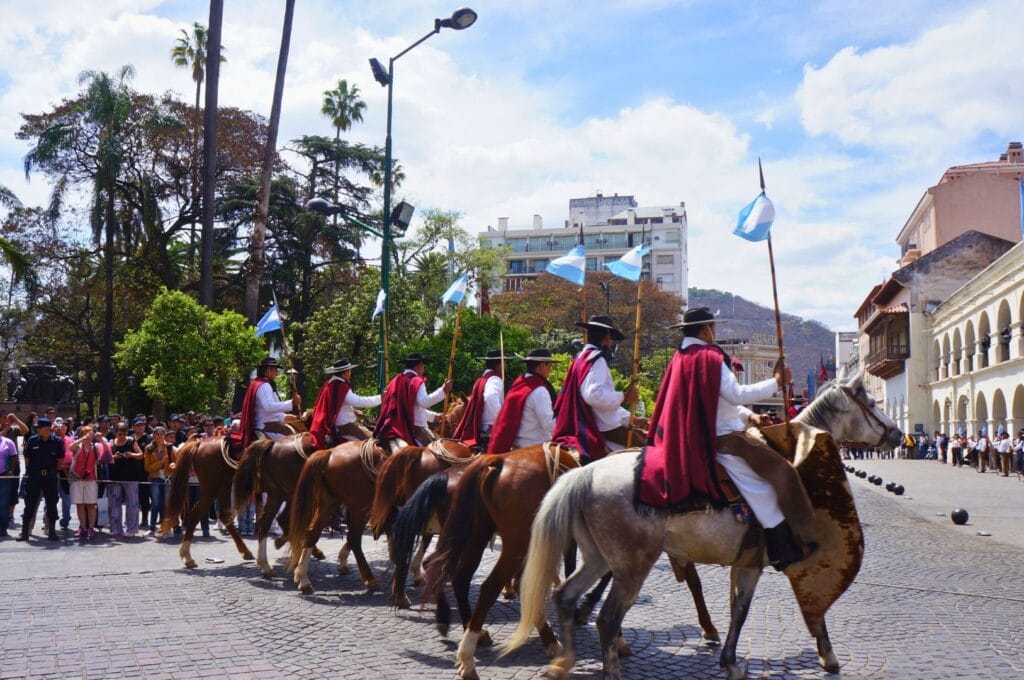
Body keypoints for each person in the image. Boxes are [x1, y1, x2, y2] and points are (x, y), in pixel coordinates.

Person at [636, 306, 816, 572]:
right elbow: (736, 394)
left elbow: (716, 401)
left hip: (702, 433)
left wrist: (748, 417)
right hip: (724, 439)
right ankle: (781, 549)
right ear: (707, 329)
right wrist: (776, 382)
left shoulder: (680, 357)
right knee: (775, 476)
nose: (715, 333)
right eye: (714, 328)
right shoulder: (709, 357)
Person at [551, 315, 638, 460]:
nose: (610, 343)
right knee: (646, 450)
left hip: (592, 420)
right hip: (601, 427)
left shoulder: (581, 357)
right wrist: (624, 396)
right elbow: (593, 395)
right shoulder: (596, 360)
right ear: (607, 336)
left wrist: (629, 417)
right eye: (610, 338)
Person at [374, 353, 452, 451]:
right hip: (415, 428)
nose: (424, 369)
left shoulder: (395, 380)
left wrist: (434, 416)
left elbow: (411, 408)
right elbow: (425, 402)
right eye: (423, 366)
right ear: (418, 366)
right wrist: (443, 391)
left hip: (394, 426)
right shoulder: (416, 381)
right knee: (438, 452)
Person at [488, 348, 557, 453]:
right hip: (537, 448)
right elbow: (549, 424)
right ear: (542, 366)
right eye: (549, 366)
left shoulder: (519, 384)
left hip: (517, 446)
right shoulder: (540, 390)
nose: (550, 370)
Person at [308, 358, 381, 449]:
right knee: (375, 440)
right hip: (346, 425)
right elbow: (359, 401)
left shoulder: (329, 384)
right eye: (349, 371)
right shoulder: (340, 386)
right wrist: (381, 398)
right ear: (344, 373)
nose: (350, 374)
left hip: (340, 424)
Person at [16, 418, 64, 541]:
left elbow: (60, 460)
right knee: (30, 503)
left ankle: (52, 531)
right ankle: (25, 532)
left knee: (52, 503)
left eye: (39, 427)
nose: (37, 429)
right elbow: (27, 458)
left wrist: (52, 472)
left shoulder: (57, 442)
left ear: (47, 429)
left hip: (50, 476)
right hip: (35, 476)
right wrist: (32, 472)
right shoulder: (32, 441)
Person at [239, 357, 301, 450]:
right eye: (275, 370)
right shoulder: (264, 385)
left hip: (268, 424)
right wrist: (291, 402)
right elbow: (268, 406)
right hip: (267, 427)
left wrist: (284, 416)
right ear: (268, 370)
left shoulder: (260, 383)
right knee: (294, 446)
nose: (276, 373)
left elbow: (266, 410)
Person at [452, 349, 507, 450]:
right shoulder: (495, 379)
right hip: (491, 428)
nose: (505, 365)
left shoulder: (481, 379)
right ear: (499, 364)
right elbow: (491, 398)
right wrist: (502, 420)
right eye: (504, 362)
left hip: (479, 427)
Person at [69, 426, 109, 539]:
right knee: (80, 504)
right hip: (77, 478)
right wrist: (82, 439)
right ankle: (83, 527)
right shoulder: (78, 446)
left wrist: (101, 439)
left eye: (90, 433)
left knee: (91, 504)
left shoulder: (95, 447)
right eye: (85, 433)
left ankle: (91, 527)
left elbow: (107, 452)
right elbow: (70, 447)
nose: (88, 435)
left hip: (91, 479)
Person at [107, 423, 143, 537]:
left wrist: (131, 454)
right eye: (119, 433)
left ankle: (131, 529)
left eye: (124, 433)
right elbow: (106, 458)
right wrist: (114, 457)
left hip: (130, 476)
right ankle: (115, 528)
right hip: (115, 476)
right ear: (115, 433)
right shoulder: (111, 443)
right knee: (114, 504)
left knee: (132, 504)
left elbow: (141, 455)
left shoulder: (131, 441)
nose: (122, 436)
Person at [143, 427, 174, 533]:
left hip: (167, 478)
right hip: (154, 477)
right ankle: (152, 527)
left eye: (162, 434)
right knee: (155, 502)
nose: (160, 436)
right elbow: (147, 467)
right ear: (154, 436)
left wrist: (173, 465)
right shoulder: (149, 448)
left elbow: (174, 462)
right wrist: (160, 463)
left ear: (164, 436)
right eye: (157, 434)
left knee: (166, 503)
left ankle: (165, 527)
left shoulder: (169, 447)